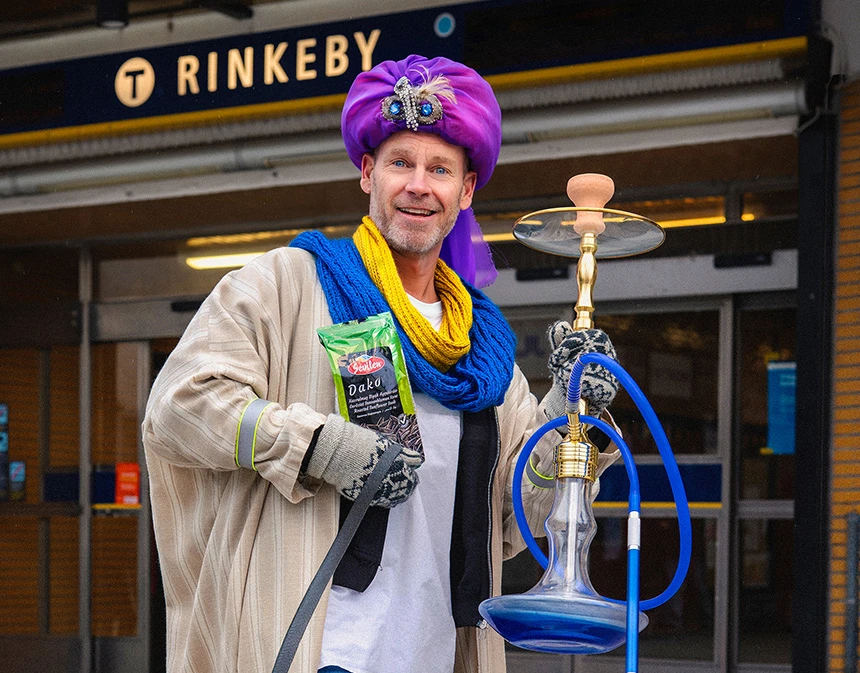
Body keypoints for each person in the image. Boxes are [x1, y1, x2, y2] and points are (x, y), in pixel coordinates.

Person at [142, 54, 619, 673]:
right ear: (367, 173)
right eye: (400, 163)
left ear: (466, 191)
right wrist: (318, 447)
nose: (418, 185)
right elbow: (179, 406)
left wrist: (571, 416)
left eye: (440, 169)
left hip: (437, 653)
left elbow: (517, 518)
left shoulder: (484, 349)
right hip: (316, 650)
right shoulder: (288, 285)